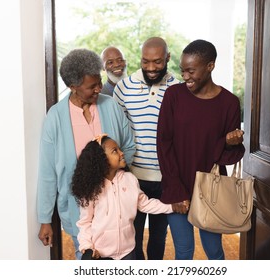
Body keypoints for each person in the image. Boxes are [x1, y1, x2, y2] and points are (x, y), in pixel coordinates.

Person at [37, 48, 136, 260]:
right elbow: (47, 173)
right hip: (79, 212)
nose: (99, 88)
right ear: (73, 87)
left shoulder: (110, 106)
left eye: (99, 82)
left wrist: (117, 177)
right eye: (92, 86)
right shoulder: (55, 117)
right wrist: (45, 219)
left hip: (116, 214)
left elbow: (128, 144)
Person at [156, 39, 245, 260]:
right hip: (177, 186)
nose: (185, 76)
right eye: (182, 70)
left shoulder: (230, 103)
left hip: (211, 189)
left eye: (191, 70)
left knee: (214, 251)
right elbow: (164, 144)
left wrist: (230, 142)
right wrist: (176, 190)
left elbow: (224, 157)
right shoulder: (173, 96)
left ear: (210, 66)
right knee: (184, 251)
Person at [113, 37, 180, 260]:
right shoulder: (123, 88)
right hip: (132, 177)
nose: (151, 68)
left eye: (158, 62)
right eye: (146, 61)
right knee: (133, 236)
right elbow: (118, 133)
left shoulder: (178, 88)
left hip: (165, 178)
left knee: (159, 236)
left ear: (168, 58)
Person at [72, 134, 187, 260]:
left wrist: (172, 206)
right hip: (101, 254)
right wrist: (87, 247)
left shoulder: (130, 179)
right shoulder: (92, 189)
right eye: (115, 151)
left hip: (128, 253)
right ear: (101, 159)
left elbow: (146, 204)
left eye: (119, 149)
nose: (121, 153)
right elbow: (85, 222)